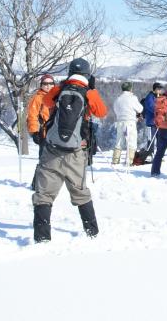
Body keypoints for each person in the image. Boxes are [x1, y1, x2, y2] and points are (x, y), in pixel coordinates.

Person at [31, 58, 107, 242]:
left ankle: (42, 238)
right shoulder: (88, 92)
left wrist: (62, 87)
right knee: (80, 192)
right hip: (75, 152)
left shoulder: (59, 90)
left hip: (52, 150)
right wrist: (92, 90)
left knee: (44, 195)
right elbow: (101, 112)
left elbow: (48, 102)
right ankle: (92, 233)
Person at [112, 82, 143, 166]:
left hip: (120, 122)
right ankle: (129, 161)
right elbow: (140, 109)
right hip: (130, 122)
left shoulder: (118, 99)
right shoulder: (132, 98)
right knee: (131, 142)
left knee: (119, 141)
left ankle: (115, 160)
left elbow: (115, 109)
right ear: (130, 89)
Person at [27, 74, 55, 159]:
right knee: (44, 159)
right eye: (45, 84)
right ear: (41, 85)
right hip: (44, 133)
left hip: (58, 133)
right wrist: (35, 132)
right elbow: (32, 115)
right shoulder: (37, 98)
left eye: (50, 83)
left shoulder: (59, 96)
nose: (48, 86)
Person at [137, 82, 163, 163]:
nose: (159, 90)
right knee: (150, 139)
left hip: (159, 122)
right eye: (158, 89)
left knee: (160, 140)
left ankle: (159, 156)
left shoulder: (159, 97)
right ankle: (150, 154)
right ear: (154, 89)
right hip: (151, 122)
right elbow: (151, 107)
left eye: (160, 89)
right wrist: (159, 110)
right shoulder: (150, 97)